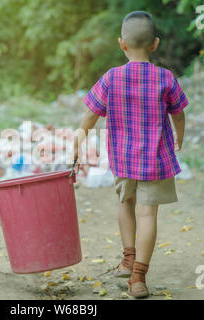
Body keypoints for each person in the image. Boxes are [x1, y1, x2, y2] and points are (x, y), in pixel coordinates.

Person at [74, 11, 188, 298]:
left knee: (125, 203)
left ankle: (127, 259)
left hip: (123, 159)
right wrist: (180, 136)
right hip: (157, 161)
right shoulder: (165, 78)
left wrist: (79, 138)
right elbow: (180, 113)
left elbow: (90, 116)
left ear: (122, 44)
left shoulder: (112, 77)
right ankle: (138, 277)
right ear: (155, 44)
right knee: (148, 215)